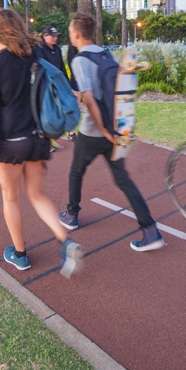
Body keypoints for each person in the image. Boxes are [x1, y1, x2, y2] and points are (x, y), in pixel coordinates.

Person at [0, 9, 84, 277]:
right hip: (38, 140)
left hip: (10, 144)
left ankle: (20, 254)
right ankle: (65, 240)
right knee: (37, 195)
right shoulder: (34, 57)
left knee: (11, 197)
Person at [58, 13, 165, 252]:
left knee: (76, 171)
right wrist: (117, 130)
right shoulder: (106, 54)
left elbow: (91, 100)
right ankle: (150, 230)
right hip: (115, 128)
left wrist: (105, 131)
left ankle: (71, 215)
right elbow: (119, 91)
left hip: (95, 131)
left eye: (69, 31)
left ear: (76, 33)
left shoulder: (80, 60)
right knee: (123, 180)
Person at [34, 25, 68, 151]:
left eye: (56, 36)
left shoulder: (57, 49)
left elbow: (62, 67)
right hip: (45, 86)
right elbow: (40, 66)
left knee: (58, 112)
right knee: (46, 112)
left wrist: (66, 84)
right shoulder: (39, 49)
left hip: (57, 85)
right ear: (45, 36)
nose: (55, 39)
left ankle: (53, 138)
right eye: (52, 36)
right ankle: (45, 141)